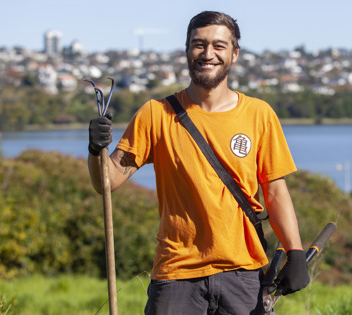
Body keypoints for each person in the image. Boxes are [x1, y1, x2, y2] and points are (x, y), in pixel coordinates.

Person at [87, 10, 309, 315]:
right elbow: (107, 182)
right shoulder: (155, 114)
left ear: (235, 54)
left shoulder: (259, 115)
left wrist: (295, 253)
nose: (208, 54)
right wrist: (94, 149)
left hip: (242, 274)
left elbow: (275, 191)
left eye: (219, 46)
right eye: (198, 44)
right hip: (177, 276)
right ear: (187, 50)